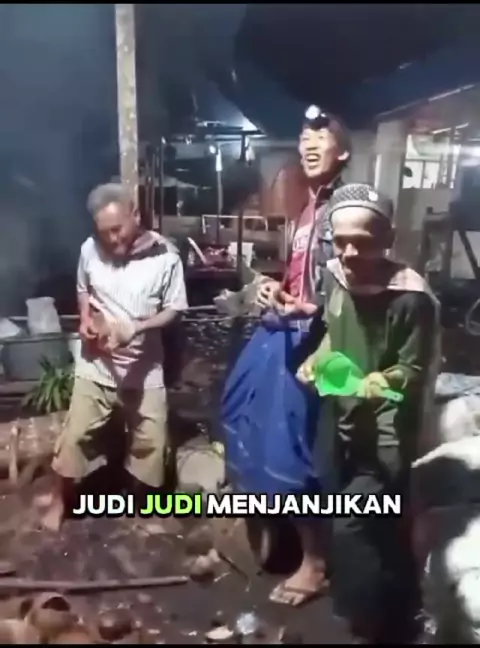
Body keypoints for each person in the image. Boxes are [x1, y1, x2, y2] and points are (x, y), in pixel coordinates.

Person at [297, 183, 441, 642]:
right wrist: (318, 358)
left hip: (386, 431)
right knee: (372, 526)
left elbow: (413, 369)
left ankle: (372, 626)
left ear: (388, 238)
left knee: (353, 522)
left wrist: (383, 381)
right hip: (343, 420)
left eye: (362, 241)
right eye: (341, 242)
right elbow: (333, 330)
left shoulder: (410, 298)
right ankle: (387, 606)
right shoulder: (336, 275)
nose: (350, 253)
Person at [221, 106, 351, 606]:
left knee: (295, 449)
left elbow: (354, 289)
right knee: (239, 408)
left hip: (322, 341)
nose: (309, 144)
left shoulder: (346, 208)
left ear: (344, 151)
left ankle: (314, 562)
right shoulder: (309, 207)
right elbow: (306, 279)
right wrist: (274, 287)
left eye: (322, 136)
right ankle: (271, 523)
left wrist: (311, 310)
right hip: (288, 328)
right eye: (303, 137)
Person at [42, 183, 188, 531]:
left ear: (135, 214)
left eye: (117, 229)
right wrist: (85, 320)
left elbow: (174, 309)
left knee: (150, 442)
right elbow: (83, 289)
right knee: (76, 435)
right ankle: (60, 501)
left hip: (144, 367)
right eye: (104, 232)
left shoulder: (166, 257)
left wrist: (136, 328)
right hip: (97, 365)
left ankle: (138, 506)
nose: (111, 239)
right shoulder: (89, 250)